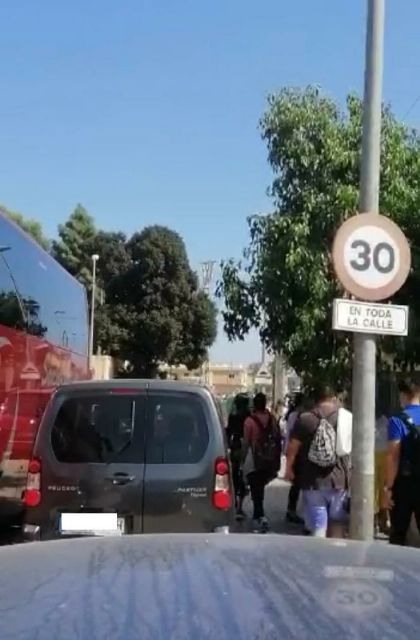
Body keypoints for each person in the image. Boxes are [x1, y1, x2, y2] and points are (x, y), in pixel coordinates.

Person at [285, 385, 350, 538]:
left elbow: (292, 448)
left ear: (315, 400)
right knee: (337, 523)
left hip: (312, 480)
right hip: (339, 479)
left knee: (318, 524)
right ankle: (335, 549)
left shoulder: (305, 418)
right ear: (334, 398)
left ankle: (319, 550)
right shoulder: (344, 417)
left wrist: (289, 470)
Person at [382, 376, 420, 546]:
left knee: (398, 533)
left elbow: (393, 456)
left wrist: (388, 488)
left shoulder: (397, 420)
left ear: (403, 395)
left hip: (405, 483)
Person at [242, 392, 281, 532]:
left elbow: (246, 442)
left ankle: (259, 515)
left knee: (255, 486)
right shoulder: (272, 419)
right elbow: (278, 438)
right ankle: (259, 514)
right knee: (260, 486)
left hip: (255, 459)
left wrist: (242, 459)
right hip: (269, 459)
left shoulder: (249, 421)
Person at [227, 394, 250, 520]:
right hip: (247, 448)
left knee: (235, 475)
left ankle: (235, 504)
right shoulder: (249, 416)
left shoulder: (233, 416)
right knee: (244, 477)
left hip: (236, 448)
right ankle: (240, 506)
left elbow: (229, 432)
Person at [285, 393, 305, 525]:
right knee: (297, 483)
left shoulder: (293, 415)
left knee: (297, 483)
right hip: (297, 451)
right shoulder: (298, 416)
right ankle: (291, 510)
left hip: (294, 449)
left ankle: (291, 509)